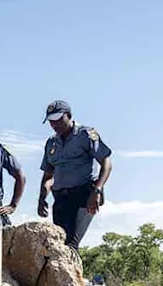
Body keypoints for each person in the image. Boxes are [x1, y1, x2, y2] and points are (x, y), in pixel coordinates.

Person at [37, 100, 112, 249]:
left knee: (71, 244)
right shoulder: (51, 143)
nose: (54, 124)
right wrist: (41, 198)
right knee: (59, 245)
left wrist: (97, 191)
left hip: (83, 196)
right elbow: (48, 175)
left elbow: (106, 163)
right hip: (60, 199)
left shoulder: (86, 135)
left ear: (69, 116)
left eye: (58, 119)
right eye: (51, 121)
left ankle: (73, 272)